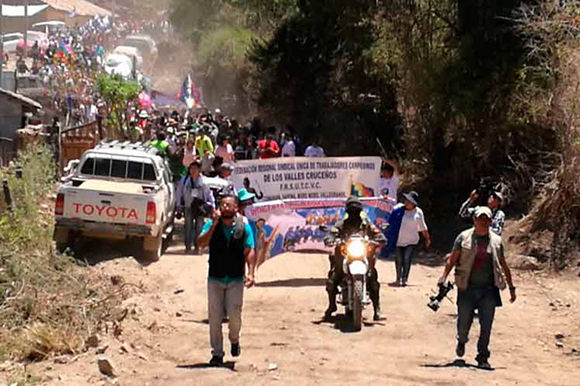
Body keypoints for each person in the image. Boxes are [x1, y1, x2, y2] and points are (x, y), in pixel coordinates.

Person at [437, 206, 516, 369]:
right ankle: (462, 340)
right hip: (467, 288)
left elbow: (503, 264)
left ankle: (482, 356)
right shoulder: (463, 238)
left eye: (486, 219)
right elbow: (452, 260)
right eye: (480, 218)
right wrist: (443, 277)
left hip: (488, 290)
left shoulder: (496, 241)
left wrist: (511, 287)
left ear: (490, 221)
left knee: (486, 325)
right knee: (464, 321)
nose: (483, 222)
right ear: (474, 220)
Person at [197, 195, 256, 366]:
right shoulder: (211, 224)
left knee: (234, 315)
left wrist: (251, 273)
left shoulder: (243, 226)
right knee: (214, 317)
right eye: (222, 205)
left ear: (236, 208)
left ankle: (234, 339)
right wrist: (213, 225)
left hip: (236, 278)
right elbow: (200, 243)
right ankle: (217, 353)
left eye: (229, 205)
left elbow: (249, 250)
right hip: (215, 277)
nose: (225, 207)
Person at [324, 196, 386, 321]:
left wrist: (379, 239)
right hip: (344, 255)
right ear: (347, 211)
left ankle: (377, 309)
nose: (354, 213)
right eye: (351, 210)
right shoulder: (342, 224)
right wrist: (331, 239)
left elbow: (377, 233)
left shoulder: (366, 224)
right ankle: (331, 306)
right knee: (332, 280)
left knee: (373, 278)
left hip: (362, 255)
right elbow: (332, 232)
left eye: (356, 210)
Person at [386, 191, 431, 286]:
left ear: (413, 204)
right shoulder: (398, 209)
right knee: (399, 259)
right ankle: (398, 278)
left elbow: (423, 227)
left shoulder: (418, 212)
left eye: (409, 201)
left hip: (411, 241)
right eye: (406, 200)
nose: (407, 203)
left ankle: (404, 278)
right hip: (398, 240)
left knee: (406, 259)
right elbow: (390, 220)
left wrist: (427, 239)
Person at [175, 160, 215, 254]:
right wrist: (179, 205)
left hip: (199, 208)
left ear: (199, 170)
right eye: (191, 168)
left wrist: (212, 205)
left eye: (195, 168)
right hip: (188, 206)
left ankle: (197, 246)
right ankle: (187, 246)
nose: (193, 170)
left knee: (199, 227)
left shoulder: (204, 181)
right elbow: (179, 192)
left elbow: (209, 194)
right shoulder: (184, 180)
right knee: (188, 227)